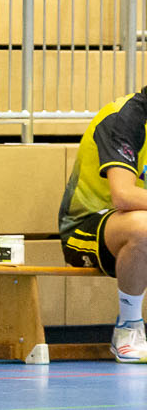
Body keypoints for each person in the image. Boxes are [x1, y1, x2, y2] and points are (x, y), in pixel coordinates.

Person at [58, 84, 147, 361]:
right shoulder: (123, 118)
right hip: (87, 228)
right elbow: (123, 196)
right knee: (144, 227)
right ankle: (129, 328)